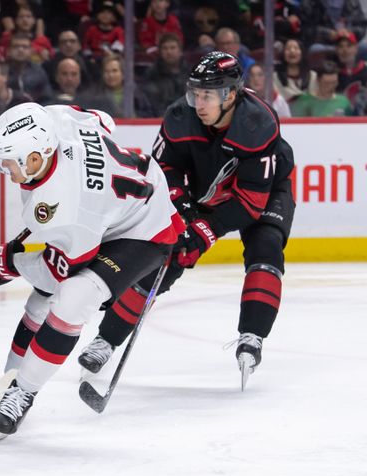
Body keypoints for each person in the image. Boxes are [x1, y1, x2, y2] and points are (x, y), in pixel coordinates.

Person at [78, 52, 296, 390]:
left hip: (265, 192)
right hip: (201, 190)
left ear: (232, 95)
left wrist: (206, 229)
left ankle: (252, 335)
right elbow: (163, 171)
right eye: (195, 93)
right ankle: (106, 340)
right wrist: (181, 209)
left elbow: (251, 203)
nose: (198, 102)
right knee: (167, 255)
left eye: (207, 95)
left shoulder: (258, 123)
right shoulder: (180, 116)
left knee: (265, 247)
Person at [0, 102, 184, 437]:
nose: (5, 171)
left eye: (10, 163)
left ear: (36, 157)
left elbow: (56, 272)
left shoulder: (65, 208)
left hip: (144, 231)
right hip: (112, 210)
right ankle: (5, 386)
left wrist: (9, 264)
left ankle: (23, 394)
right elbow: (103, 119)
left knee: (73, 296)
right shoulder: (55, 118)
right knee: (39, 302)